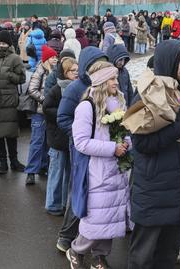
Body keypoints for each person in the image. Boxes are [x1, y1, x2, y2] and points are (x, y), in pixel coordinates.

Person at [127, 40, 180, 269]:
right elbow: (141, 144)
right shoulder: (145, 96)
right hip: (154, 194)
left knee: (167, 258)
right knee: (143, 259)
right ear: (167, 61)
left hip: (178, 193)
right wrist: (175, 129)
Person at [66, 61, 130, 269]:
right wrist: (113, 148)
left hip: (117, 172)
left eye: (115, 77)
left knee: (110, 218)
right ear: (101, 80)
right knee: (96, 219)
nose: (115, 81)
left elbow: (127, 132)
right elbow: (81, 142)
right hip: (98, 173)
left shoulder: (118, 102)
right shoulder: (87, 107)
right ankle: (76, 249)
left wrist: (127, 144)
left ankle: (100, 256)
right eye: (111, 78)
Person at [56, 46, 108, 252]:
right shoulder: (75, 89)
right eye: (95, 66)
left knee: (96, 194)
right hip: (81, 150)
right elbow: (63, 117)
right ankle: (66, 236)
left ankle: (92, 239)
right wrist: (82, 135)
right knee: (79, 191)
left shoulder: (105, 86)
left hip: (101, 150)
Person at [0, 30, 26, 174]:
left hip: (8, 101)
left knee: (10, 133)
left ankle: (14, 161)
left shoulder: (15, 58)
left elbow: (22, 78)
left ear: (9, 44)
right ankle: (3, 163)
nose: (1, 46)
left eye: (4, 43)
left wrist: (9, 75)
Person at [43, 56, 77, 216]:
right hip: (57, 137)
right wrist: (65, 115)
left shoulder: (78, 88)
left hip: (71, 137)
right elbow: (47, 108)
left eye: (77, 70)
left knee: (69, 173)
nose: (76, 73)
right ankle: (52, 204)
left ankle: (65, 203)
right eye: (72, 70)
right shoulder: (57, 89)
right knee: (56, 172)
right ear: (64, 72)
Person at [25, 45, 58, 185]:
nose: (56, 59)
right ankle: (31, 172)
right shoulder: (40, 70)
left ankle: (43, 167)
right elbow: (32, 90)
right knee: (37, 142)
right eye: (53, 57)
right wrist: (45, 100)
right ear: (47, 59)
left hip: (50, 113)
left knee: (47, 142)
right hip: (39, 112)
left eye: (56, 57)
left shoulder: (55, 71)